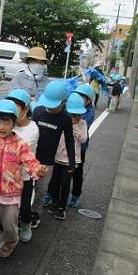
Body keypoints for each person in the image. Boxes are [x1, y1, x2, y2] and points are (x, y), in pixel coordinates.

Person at [0, 100, 47, 258]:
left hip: (10, 195)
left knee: (10, 226)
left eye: (6, 122)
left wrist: (38, 171)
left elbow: (31, 162)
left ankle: (11, 241)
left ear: (14, 123)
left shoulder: (20, 144)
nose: (1, 127)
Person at [31, 81, 75, 226]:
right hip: (30, 157)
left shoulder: (65, 118)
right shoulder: (38, 111)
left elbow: (69, 141)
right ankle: (22, 213)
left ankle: (35, 214)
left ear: (63, 102)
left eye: (54, 104)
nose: (50, 107)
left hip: (47, 161)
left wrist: (72, 162)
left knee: (40, 190)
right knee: (24, 188)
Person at [5, 89, 39, 242]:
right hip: (5, 175)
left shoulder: (32, 129)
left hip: (24, 175)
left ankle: (25, 224)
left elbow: (17, 152)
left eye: (16, 109)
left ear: (26, 109)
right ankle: (0, 231)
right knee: (2, 204)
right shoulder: (6, 124)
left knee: (25, 206)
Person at [47, 93, 88, 220]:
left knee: (65, 183)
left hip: (72, 160)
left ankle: (62, 207)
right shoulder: (61, 120)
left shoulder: (82, 124)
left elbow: (84, 140)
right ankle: (54, 202)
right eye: (72, 115)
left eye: (77, 115)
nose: (75, 118)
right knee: (55, 181)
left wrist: (74, 130)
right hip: (58, 157)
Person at [69, 83, 96, 208]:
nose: (78, 99)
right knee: (60, 169)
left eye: (82, 97)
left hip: (80, 147)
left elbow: (81, 125)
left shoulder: (89, 112)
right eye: (77, 95)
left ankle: (75, 195)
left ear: (89, 100)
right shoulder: (70, 104)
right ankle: (52, 194)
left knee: (77, 171)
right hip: (66, 143)